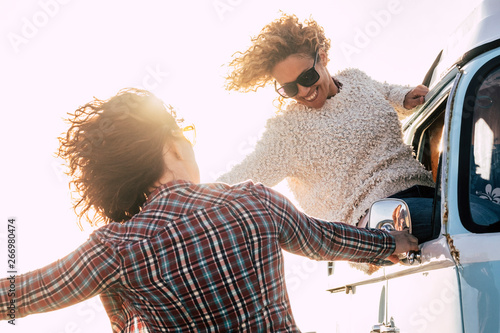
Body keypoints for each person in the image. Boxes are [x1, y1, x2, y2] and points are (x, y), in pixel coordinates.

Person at [0, 88, 417, 332]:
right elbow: (325, 239)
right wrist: (389, 241)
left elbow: (22, 297)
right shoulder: (253, 202)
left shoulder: (114, 249)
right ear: (172, 147)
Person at [217, 14, 436, 230]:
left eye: (306, 77)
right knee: (468, 222)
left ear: (322, 58)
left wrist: (405, 96)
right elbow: (246, 173)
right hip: (375, 223)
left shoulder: (355, 79)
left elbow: (387, 93)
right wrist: (191, 193)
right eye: (290, 88)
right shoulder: (288, 131)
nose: (303, 91)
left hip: (426, 190)